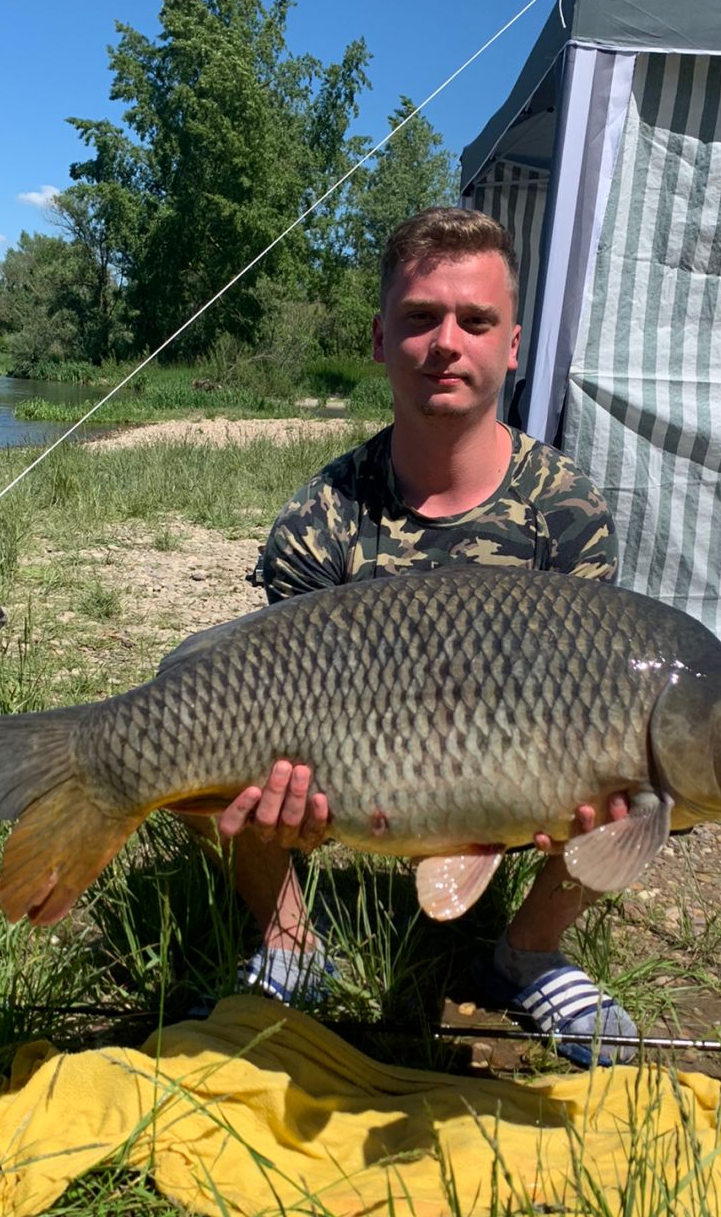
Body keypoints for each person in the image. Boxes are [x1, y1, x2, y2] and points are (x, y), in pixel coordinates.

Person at [179, 207, 637, 1067]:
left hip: (514, 757)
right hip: (348, 759)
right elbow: (266, 685)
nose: (446, 343)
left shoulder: (564, 508)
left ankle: (529, 951)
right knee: (209, 747)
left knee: (640, 763)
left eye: (475, 321)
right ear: (382, 339)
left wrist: (555, 787)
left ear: (513, 345)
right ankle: (289, 943)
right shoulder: (323, 515)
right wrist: (280, 792)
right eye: (421, 319)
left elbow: (598, 691)